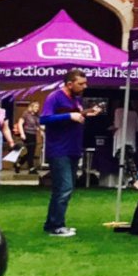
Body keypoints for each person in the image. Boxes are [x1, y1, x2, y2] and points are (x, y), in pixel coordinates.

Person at [39, 70, 103, 237]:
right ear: (69, 84)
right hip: (59, 149)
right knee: (64, 188)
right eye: (81, 84)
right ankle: (56, 227)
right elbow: (44, 119)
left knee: (64, 188)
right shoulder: (54, 97)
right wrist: (70, 115)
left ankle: (54, 223)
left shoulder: (76, 99)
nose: (85, 86)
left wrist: (86, 113)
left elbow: (74, 117)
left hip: (73, 148)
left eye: (85, 83)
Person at [14, 101, 42, 174]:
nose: (37, 108)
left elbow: (38, 125)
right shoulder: (26, 114)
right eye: (36, 107)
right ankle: (31, 168)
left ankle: (18, 164)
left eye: (38, 107)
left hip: (33, 134)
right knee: (31, 152)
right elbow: (20, 124)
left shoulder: (36, 116)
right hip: (27, 134)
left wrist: (40, 130)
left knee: (31, 152)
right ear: (32, 107)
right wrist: (22, 134)